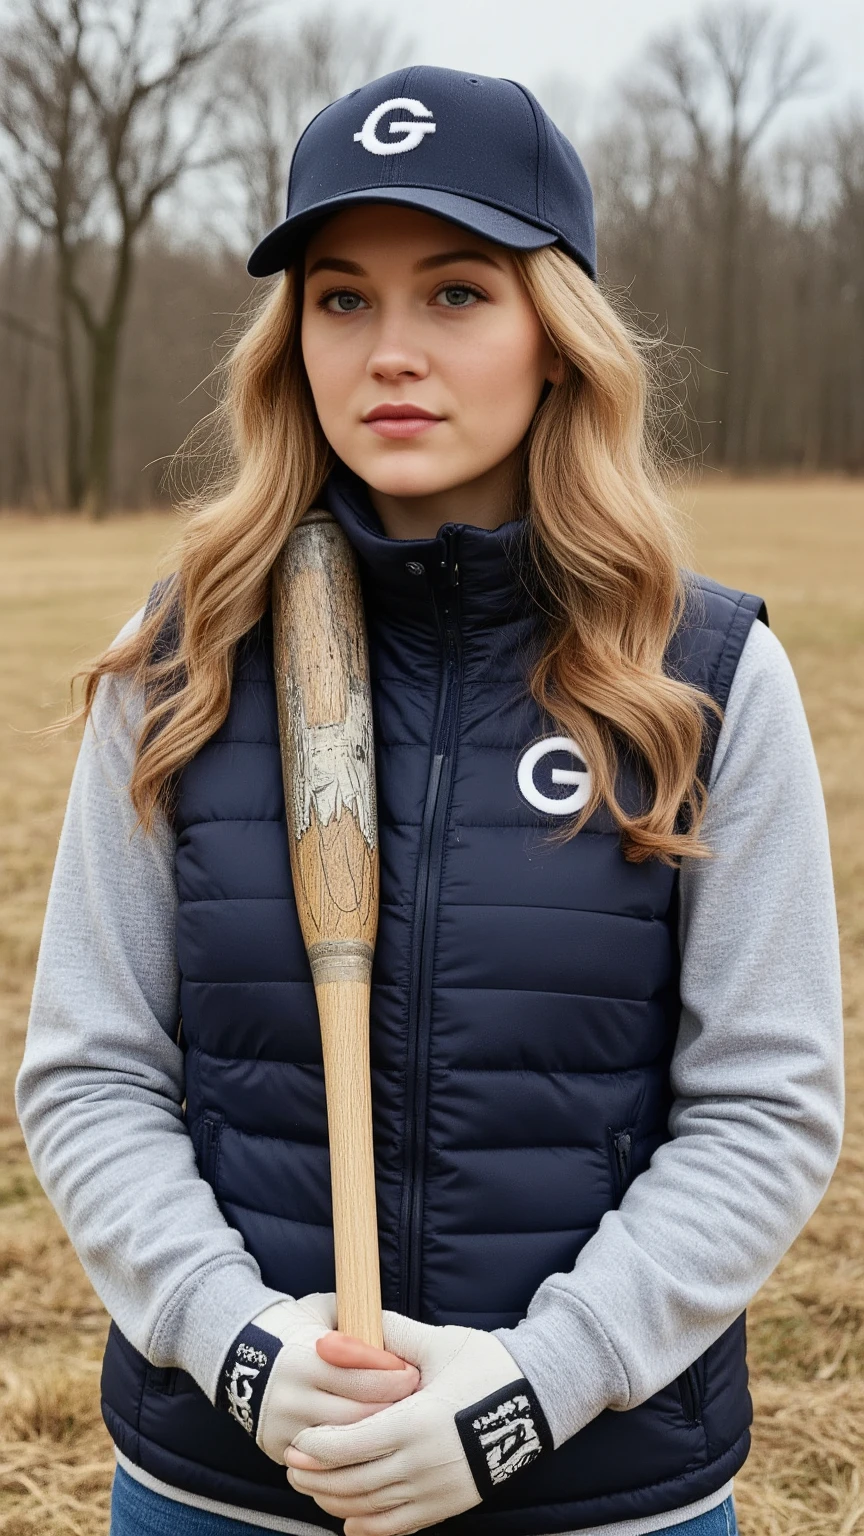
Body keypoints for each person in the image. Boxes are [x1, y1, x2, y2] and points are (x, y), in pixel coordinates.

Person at [16, 64, 843, 1536]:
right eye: (341, 298)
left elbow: (764, 1108)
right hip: (230, 1487)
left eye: (456, 292)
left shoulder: (702, 675)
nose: (390, 350)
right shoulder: (182, 660)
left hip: (596, 1493)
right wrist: (239, 1347)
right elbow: (92, 1074)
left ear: (557, 334)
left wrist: (531, 1389)